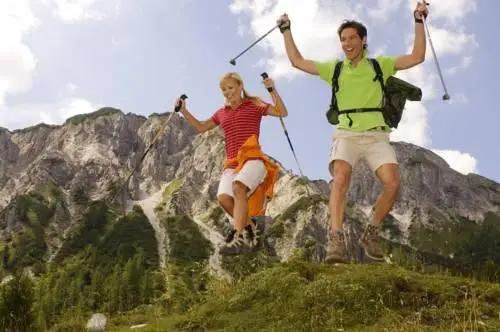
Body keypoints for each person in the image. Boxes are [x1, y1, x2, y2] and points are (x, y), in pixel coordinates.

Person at [276, 1, 429, 263]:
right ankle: (335, 241)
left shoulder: (380, 65)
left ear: (363, 39)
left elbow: (417, 56)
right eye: (343, 40)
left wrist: (418, 20)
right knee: (340, 179)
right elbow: (297, 62)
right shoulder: (335, 69)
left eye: (351, 38)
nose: (347, 44)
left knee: (392, 183)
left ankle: (371, 233)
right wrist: (286, 30)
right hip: (346, 133)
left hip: (377, 134)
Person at [176, 72, 286, 255]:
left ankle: (238, 235)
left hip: (253, 159)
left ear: (240, 86)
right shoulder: (221, 113)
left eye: (231, 87)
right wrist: (184, 110)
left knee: (238, 187)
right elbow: (201, 127)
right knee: (224, 199)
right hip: (231, 165)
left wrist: (272, 90)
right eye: (224, 90)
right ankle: (251, 226)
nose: (227, 92)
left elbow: (282, 112)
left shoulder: (254, 105)